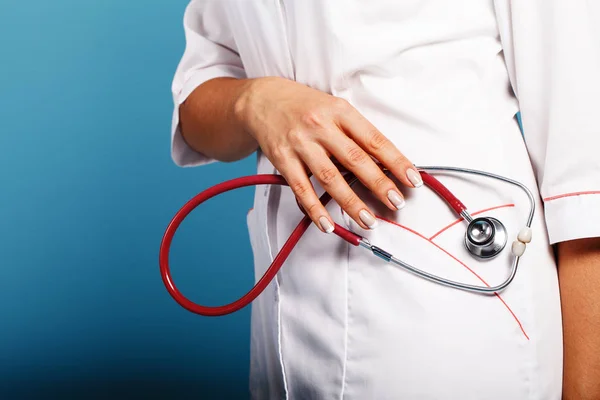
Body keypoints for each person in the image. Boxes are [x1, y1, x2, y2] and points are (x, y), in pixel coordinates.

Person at [170, 1, 600, 399]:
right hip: (288, 318)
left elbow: (586, 186)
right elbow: (197, 107)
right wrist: (254, 101)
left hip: (458, 320)